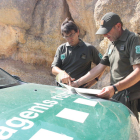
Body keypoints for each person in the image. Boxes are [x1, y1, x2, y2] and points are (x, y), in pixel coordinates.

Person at [71, 12, 140, 120]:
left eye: (107, 31)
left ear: (118, 26)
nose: (104, 35)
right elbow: (100, 67)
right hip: (115, 93)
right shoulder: (112, 44)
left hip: (128, 96)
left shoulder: (133, 39)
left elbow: (138, 72)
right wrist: (77, 83)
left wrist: (115, 88)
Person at [51, 18, 102, 88]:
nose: (69, 38)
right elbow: (54, 69)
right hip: (62, 88)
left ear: (78, 32)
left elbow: (102, 65)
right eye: (66, 36)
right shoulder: (61, 49)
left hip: (81, 90)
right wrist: (62, 73)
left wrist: (95, 79)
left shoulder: (89, 49)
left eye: (71, 35)